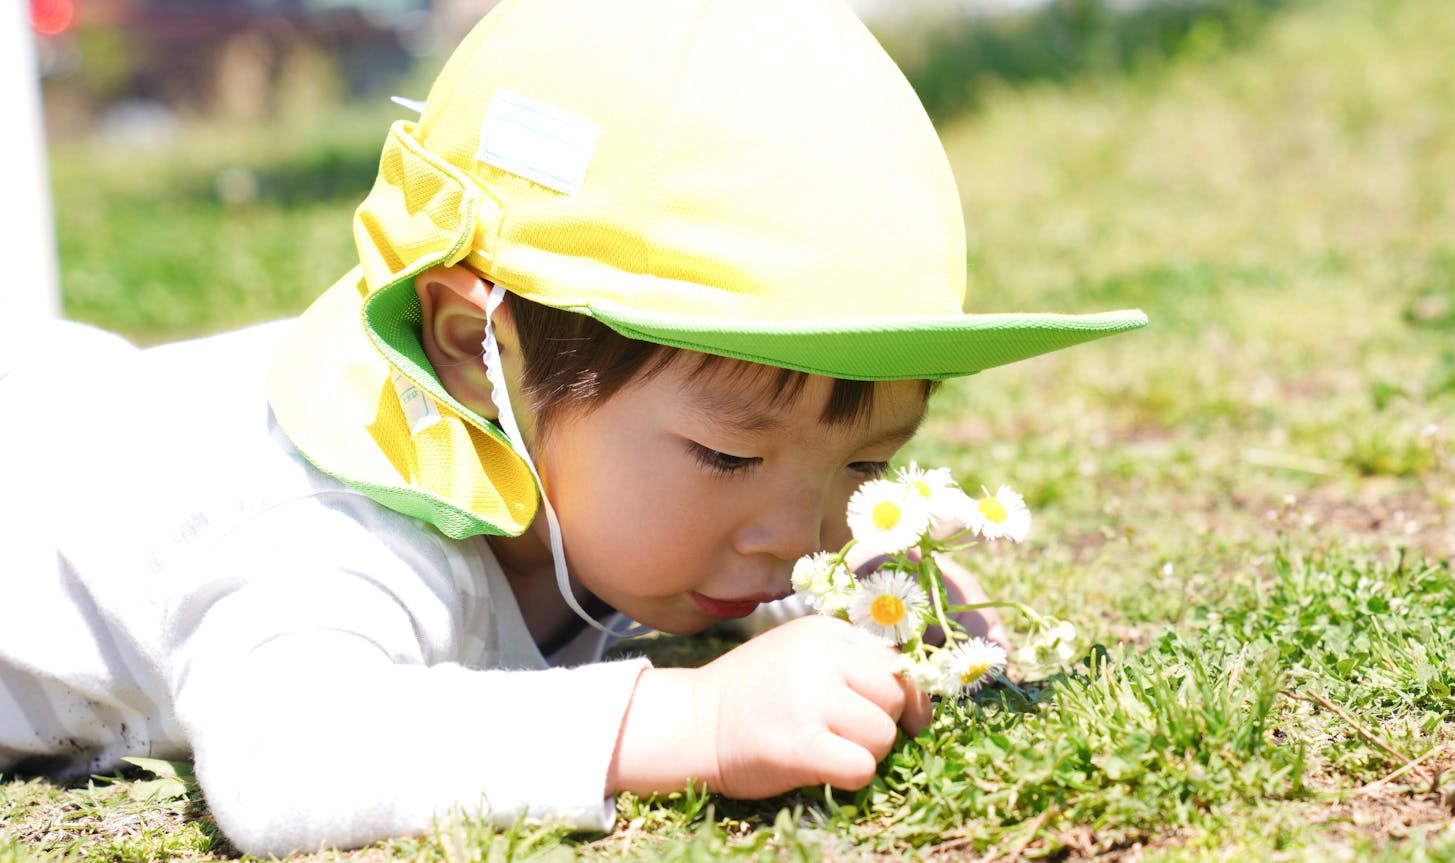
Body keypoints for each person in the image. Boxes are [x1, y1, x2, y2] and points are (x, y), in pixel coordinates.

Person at [0, 0, 1146, 855]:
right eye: (732, 456)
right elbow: (298, 762)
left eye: (867, 464)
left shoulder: (606, 477)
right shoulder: (328, 519)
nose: (798, 534)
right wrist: (688, 715)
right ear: (472, 346)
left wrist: (874, 602)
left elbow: (778, 527)